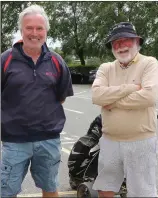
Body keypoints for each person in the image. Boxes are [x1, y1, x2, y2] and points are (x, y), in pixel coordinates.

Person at [1, 4, 73, 198]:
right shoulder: (5, 60)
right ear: (21, 30)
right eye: (29, 28)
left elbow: (61, 96)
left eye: (39, 28)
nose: (34, 33)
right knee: (6, 191)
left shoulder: (57, 62)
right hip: (14, 141)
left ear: (46, 31)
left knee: (50, 188)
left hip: (48, 140)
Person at [91, 22, 158, 197]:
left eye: (126, 41)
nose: (121, 45)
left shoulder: (149, 63)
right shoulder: (106, 68)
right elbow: (97, 96)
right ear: (112, 47)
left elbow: (149, 97)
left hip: (141, 142)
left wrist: (112, 102)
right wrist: (130, 88)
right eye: (116, 42)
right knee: (105, 188)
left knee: (142, 193)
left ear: (136, 42)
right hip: (109, 141)